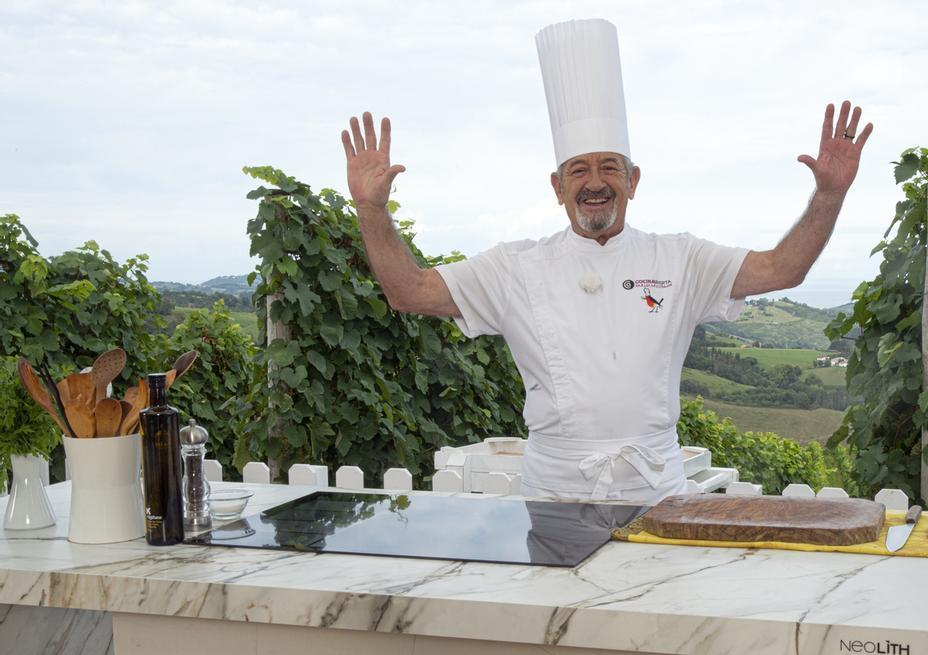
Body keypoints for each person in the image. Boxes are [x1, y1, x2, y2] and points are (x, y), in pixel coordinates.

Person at [339, 19, 871, 503]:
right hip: (553, 494)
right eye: (578, 170)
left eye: (610, 167)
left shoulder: (681, 258)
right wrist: (371, 209)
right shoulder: (514, 267)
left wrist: (829, 195)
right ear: (557, 187)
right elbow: (408, 291)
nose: (595, 182)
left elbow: (783, 269)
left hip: (656, 488)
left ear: (633, 180)